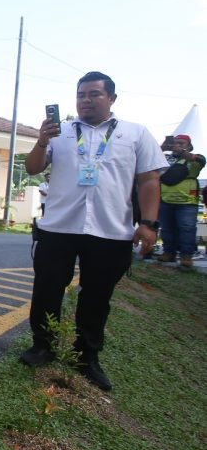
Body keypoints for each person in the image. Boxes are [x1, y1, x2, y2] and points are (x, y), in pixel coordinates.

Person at [19, 72, 166, 391]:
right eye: (81, 94)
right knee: (47, 288)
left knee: (97, 296)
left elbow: (149, 181)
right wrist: (42, 140)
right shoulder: (61, 132)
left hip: (110, 230)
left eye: (94, 94)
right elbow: (32, 168)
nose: (86, 100)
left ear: (112, 98)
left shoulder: (135, 133)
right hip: (59, 227)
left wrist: (149, 223)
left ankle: (87, 356)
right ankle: (42, 345)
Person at [157, 134, 205, 269]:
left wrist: (182, 152)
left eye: (182, 143)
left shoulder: (195, 159)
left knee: (187, 228)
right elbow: (149, 159)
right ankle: (168, 253)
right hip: (165, 198)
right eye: (175, 143)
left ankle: (186, 256)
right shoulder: (165, 158)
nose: (177, 145)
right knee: (166, 228)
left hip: (188, 201)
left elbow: (200, 160)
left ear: (189, 146)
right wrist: (161, 148)